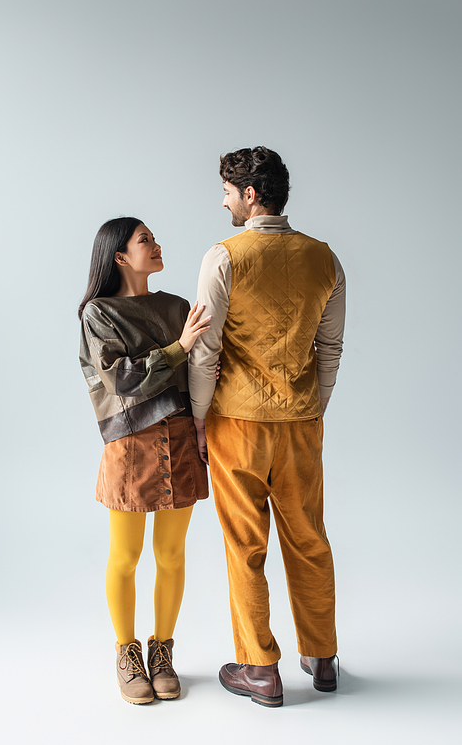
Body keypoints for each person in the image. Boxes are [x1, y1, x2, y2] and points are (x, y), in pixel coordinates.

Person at [188, 147, 346, 708]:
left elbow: (204, 350)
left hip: (237, 419)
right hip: (301, 420)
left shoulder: (223, 256)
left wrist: (199, 418)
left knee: (244, 542)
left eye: (228, 191)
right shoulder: (324, 258)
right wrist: (314, 405)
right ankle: (322, 656)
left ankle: (259, 668)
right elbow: (330, 348)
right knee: (308, 535)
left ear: (250, 194)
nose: (224, 200)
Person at [79, 217, 210, 705]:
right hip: (129, 445)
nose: (156, 246)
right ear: (119, 256)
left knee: (172, 554)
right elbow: (121, 381)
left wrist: (203, 424)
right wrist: (180, 347)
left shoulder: (177, 306)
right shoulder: (98, 313)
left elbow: (205, 370)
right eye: (145, 241)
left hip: (180, 439)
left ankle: (162, 651)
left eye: (153, 239)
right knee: (126, 557)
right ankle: (126, 653)